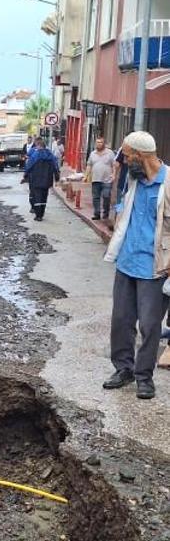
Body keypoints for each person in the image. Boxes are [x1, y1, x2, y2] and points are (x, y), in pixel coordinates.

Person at [103, 131, 170, 400]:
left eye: (128, 155)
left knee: (150, 325)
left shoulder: (168, 182)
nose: (123, 159)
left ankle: (144, 376)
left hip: (155, 267)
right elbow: (120, 207)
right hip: (127, 261)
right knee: (121, 320)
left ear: (141, 156)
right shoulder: (134, 178)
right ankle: (123, 369)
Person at [23, 138, 60, 221]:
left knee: (37, 197)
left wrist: (25, 175)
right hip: (47, 180)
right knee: (44, 197)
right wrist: (57, 177)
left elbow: (29, 166)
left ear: (38, 145)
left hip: (36, 179)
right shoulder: (50, 155)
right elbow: (55, 166)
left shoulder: (35, 155)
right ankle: (41, 214)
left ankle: (38, 215)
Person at [85, 136, 117, 221]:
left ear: (104, 144)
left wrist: (114, 175)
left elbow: (114, 165)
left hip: (107, 179)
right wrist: (86, 176)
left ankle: (105, 213)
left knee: (106, 196)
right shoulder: (92, 153)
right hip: (95, 178)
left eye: (101, 142)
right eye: (97, 142)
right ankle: (97, 213)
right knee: (96, 197)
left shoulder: (110, 153)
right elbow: (89, 165)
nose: (99, 144)